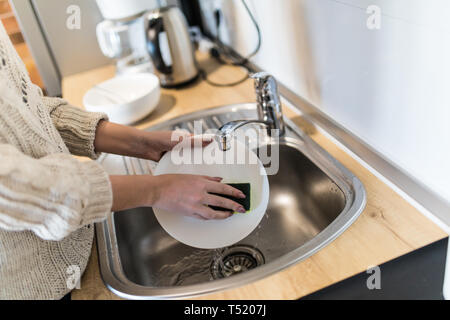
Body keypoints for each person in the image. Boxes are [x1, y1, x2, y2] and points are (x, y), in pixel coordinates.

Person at [0, 22, 245, 299]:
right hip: (37, 288)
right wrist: (158, 189)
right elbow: (10, 186)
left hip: (80, 247)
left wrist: (140, 143)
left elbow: (26, 107)